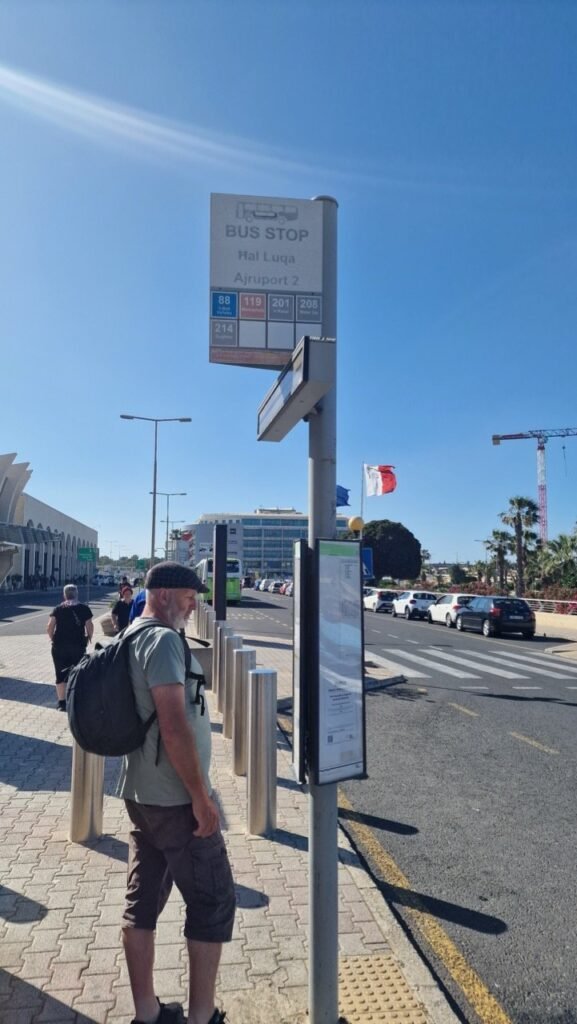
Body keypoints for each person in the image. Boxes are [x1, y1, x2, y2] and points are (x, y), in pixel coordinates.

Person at [119, 561, 234, 1024]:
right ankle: (202, 1017)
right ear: (165, 594)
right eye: (190, 596)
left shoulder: (132, 632)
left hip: (141, 792)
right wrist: (201, 798)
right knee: (213, 900)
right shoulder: (163, 640)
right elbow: (172, 723)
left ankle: (146, 1013)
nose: (194, 604)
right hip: (173, 799)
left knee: (141, 902)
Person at [47, 583, 93, 711]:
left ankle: (62, 703)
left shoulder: (58, 609)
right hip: (78, 646)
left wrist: (52, 638)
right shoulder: (84, 608)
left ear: (64, 595)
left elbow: (50, 626)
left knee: (60, 674)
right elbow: (89, 626)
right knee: (77, 673)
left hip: (59, 646)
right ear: (77, 594)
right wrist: (89, 637)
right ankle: (74, 700)